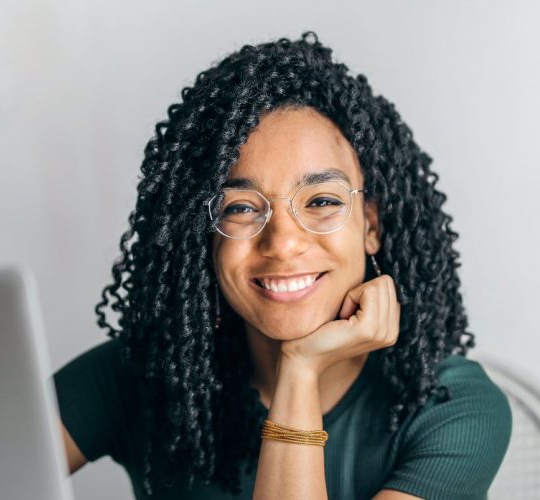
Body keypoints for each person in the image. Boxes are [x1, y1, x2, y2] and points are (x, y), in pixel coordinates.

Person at [52, 32, 511, 499]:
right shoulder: (141, 375)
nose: (284, 242)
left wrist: (300, 369)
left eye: (322, 201)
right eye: (241, 208)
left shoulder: (452, 410)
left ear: (370, 224)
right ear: (205, 234)